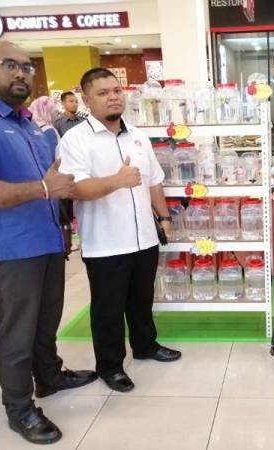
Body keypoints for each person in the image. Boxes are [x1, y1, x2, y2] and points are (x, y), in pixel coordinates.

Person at [0, 41, 96, 445]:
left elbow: (56, 179)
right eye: (9, 65)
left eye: (27, 66)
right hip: (9, 248)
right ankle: (19, 408)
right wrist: (42, 188)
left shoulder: (32, 124)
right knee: (16, 331)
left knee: (46, 321)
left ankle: (49, 376)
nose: (21, 73)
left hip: (48, 241)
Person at [59, 68, 181, 393]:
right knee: (108, 309)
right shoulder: (75, 139)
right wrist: (117, 180)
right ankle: (110, 367)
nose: (113, 96)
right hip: (105, 244)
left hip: (143, 237)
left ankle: (146, 345)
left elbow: (154, 179)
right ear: (86, 100)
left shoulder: (138, 135)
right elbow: (74, 189)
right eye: (103, 92)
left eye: (116, 90)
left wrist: (164, 217)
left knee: (141, 300)